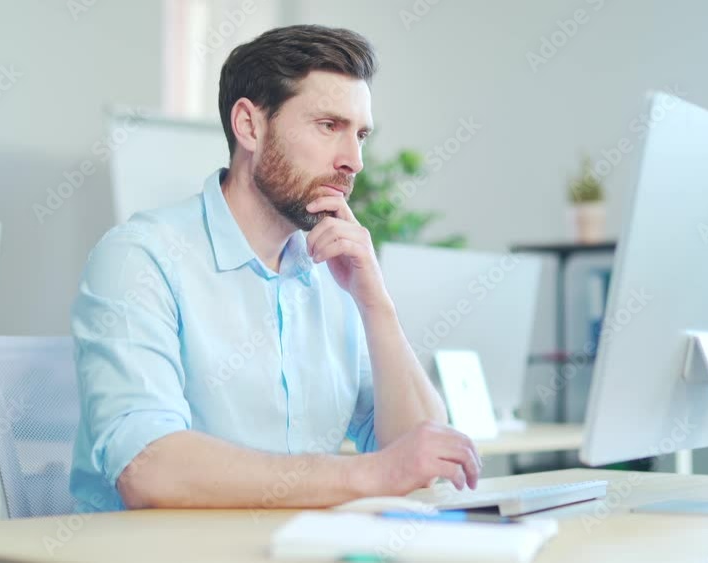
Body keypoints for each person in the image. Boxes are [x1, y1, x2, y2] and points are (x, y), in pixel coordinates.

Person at [68, 24, 480, 513]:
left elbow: (425, 465)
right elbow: (150, 468)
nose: (354, 161)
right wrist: (367, 474)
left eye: (361, 135)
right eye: (329, 126)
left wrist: (376, 304)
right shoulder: (140, 258)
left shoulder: (335, 272)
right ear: (249, 126)